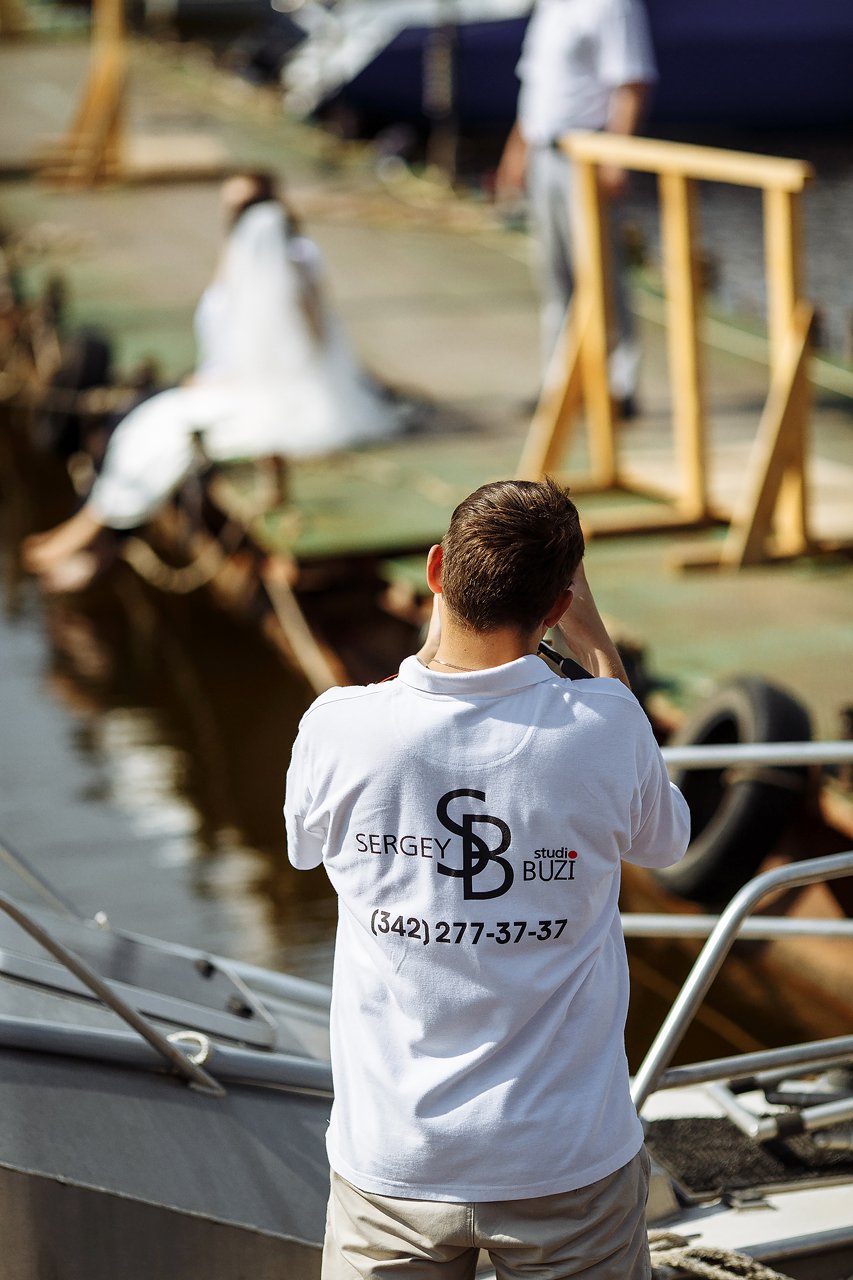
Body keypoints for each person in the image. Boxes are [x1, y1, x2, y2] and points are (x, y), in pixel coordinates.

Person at [284, 478, 690, 1279]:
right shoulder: (605, 726)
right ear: (557, 604)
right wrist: (598, 649)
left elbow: (303, 846)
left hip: (393, 1164)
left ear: (436, 569)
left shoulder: (338, 727)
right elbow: (664, 843)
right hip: (566, 1162)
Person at [23, 171, 405, 581]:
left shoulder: (288, 261)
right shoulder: (242, 257)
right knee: (137, 418)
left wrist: (233, 379)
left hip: (263, 393)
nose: (228, 212)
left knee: (156, 433)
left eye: (237, 205)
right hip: (226, 382)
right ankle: (92, 534)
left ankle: (88, 537)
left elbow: (300, 345)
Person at [496, 0, 657, 411]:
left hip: (586, 153)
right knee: (554, 275)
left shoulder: (612, 6)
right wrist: (516, 153)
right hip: (544, 152)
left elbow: (632, 82)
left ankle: (618, 385)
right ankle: (559, 383)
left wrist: (616, 158)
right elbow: (535, 87)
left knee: (601, 270)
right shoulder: (550, 6)